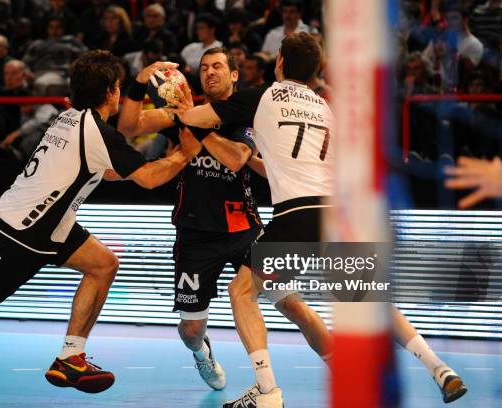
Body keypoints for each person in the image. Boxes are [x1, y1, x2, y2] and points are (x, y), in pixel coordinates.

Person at [174, 32, 467, 407]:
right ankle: (439, 368)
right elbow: (290, 164)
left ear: (279, 62)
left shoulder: (262, 96)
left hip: (298, 216)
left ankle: (267, 393)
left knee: (241, 293)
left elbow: (192, 118)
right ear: (316, 71)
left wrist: (182, 107)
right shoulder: (323, 105)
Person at [0, 50, 201, 393]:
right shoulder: (96, 133)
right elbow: (148, 179)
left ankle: (71, 357)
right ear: (111, 91)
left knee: (103, 264)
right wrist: (184, 153)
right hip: (17, 233)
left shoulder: (70, 116)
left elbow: (110, 171)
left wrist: (160, 110)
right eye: (119, 87)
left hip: (51, 226)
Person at [118, 48, 332, 393]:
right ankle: (203, 354)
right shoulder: (183, 113)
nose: (210, 72)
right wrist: (139, 84)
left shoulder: (248, 111)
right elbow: (128, 126)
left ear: (234, 74)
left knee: (292, 304)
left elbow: (235, 158)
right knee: (190, 332)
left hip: (244, 229)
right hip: (195, 235)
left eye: (218, 66)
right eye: (204, 68)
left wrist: (192, 126)